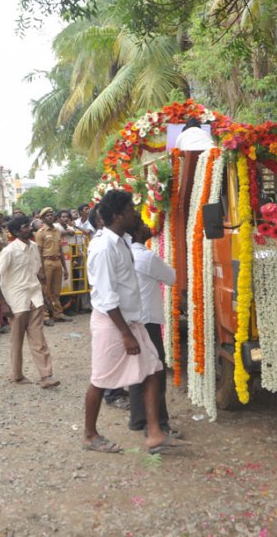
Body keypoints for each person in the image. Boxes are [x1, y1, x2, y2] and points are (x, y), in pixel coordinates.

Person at [84, 190, 183, 454]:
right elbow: (106, 297)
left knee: (153, 369)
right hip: (112, 323)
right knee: (101, 380)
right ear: (117, 216)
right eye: (130, 210)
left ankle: (154, 433)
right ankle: (90, 435)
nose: (136, 214)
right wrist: (126, 334)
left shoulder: (122, 240)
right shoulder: (104, 247)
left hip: (131, 320)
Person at [0, 215, 60, 388]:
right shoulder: (9, 251)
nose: (30, 228)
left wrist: (45, 297)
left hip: (34, 297)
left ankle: (46, 376)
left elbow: (37, 273)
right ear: (15, 232)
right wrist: (4, 303)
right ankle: (17, 376)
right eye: (25, 226)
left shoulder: (34, 248)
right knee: (17, 340)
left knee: (38, 338)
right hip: (16, 301)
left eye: (29, 225)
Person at [128, 222, 179, 436]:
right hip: (148, 321)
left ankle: (138, 419)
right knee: (155, 372)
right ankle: (159, 424)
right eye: (142, 224)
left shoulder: (124, 254)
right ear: (138, 231)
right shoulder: (146, 257)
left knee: (138, 369)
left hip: (130, 320)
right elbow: (172, 278)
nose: (149, 226)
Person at [35, 207, 70, 326]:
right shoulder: (41, 233)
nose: (50, 216)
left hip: (57, 262)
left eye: (51, 214)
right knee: (45, 290)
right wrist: (40, 270)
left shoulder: (57, 231)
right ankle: (45, 316)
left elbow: (60, 250)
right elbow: (38, 252)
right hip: (46, 262)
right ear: (43, 218)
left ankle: (58, 313)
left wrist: (65, 268)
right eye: (47, 215)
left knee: (56, 290)